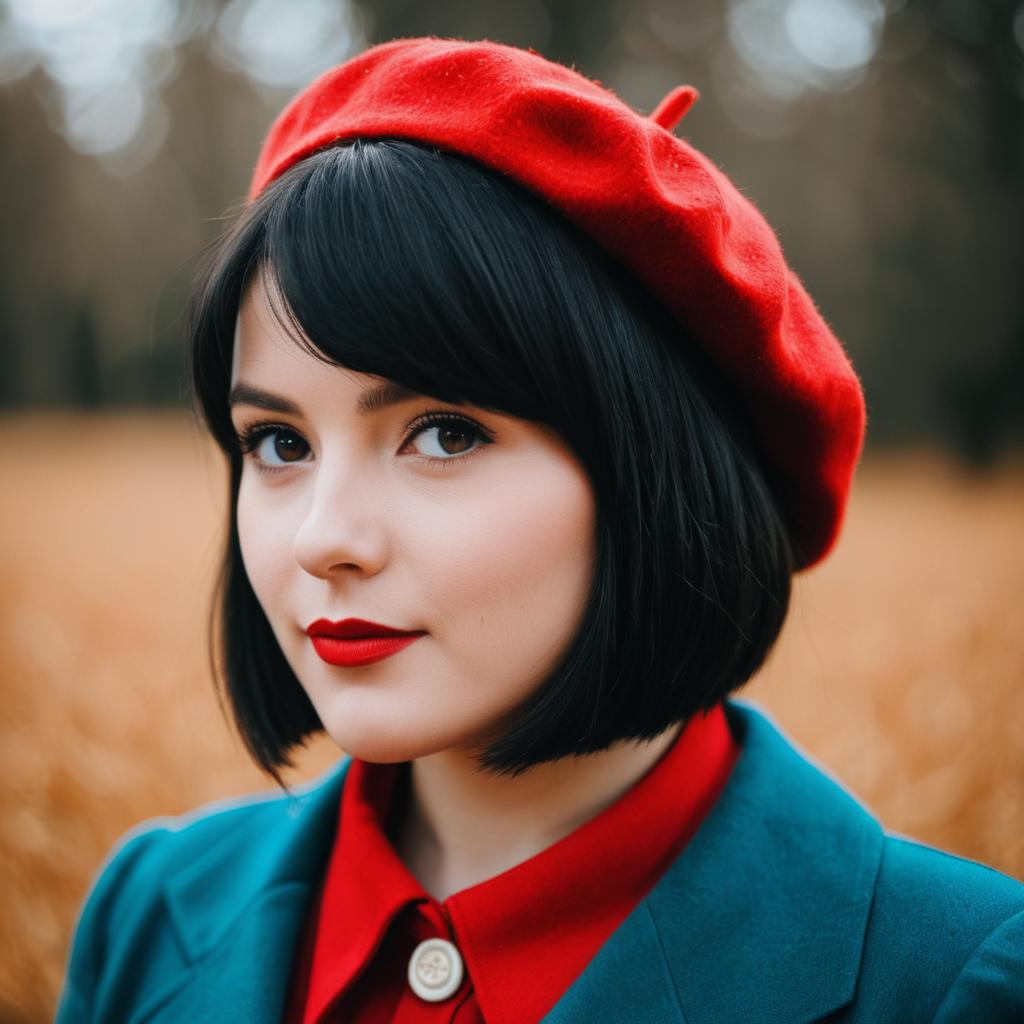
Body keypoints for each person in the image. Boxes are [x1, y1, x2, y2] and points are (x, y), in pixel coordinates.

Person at [55, 36, 1023, 1024]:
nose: (319, 538)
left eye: (443, 432)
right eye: (277, 442)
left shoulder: (956, 980)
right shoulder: (147, 911)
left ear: (654, 471)